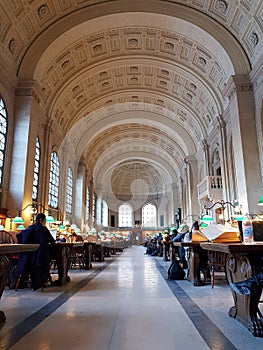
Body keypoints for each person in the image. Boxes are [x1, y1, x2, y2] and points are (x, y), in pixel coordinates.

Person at [23, 213, 56, 291]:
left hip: (29, 257)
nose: (45, 222)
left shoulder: (29, 228)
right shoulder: (43, 229)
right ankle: (42, 280)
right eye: (45, 220)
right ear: (41, 220)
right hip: (42, 256)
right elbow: (52, 241)